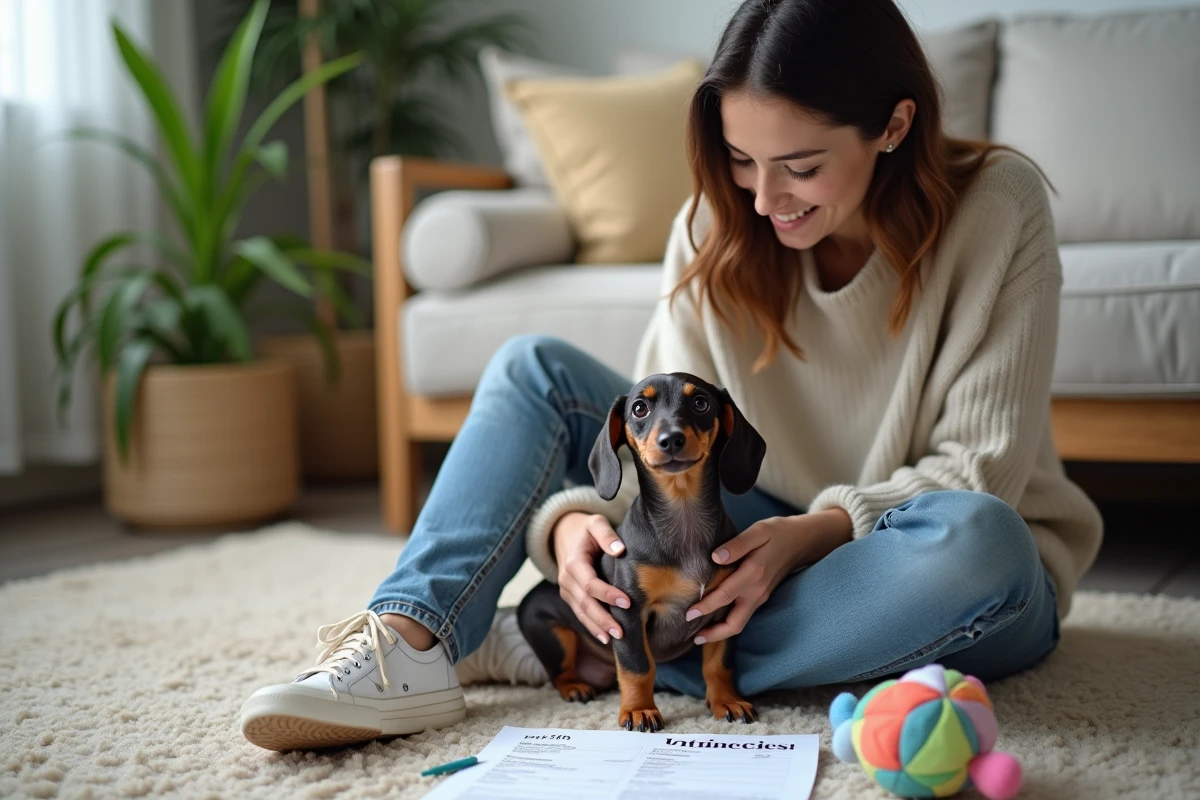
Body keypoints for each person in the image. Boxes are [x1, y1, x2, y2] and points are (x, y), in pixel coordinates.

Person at [240, 0, 1103, 751]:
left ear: (894, 125)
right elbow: (651, 434)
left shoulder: (998, 205)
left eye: (801, 166)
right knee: (532, 367)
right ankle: (413, 639)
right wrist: (577, 529)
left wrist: (813, 534)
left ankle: (598, 649)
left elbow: (980, 470)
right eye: (740, 159)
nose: (765, 199)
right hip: (729, 532)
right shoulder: (714, 226)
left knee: (983, 543)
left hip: (900, 557)